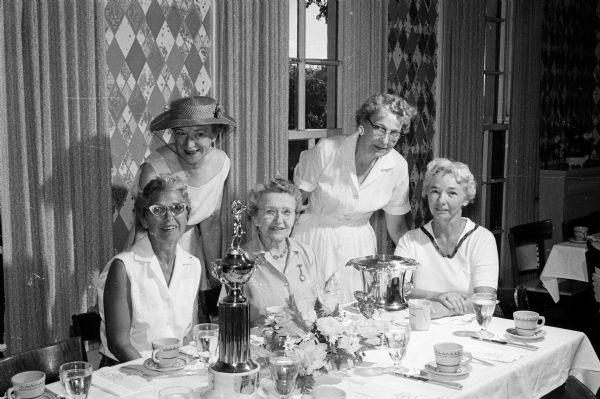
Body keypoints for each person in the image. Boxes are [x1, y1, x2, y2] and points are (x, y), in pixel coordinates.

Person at [292, 93, 417, 302]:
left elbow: (397, 228)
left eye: (395, 133)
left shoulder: (398, 166)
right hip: (312, 240)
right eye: (379, 128)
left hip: (358, 248)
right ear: (362, 123)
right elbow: (291, 204)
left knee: (355, 315)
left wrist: (421, 262)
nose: (386, 141)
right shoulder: (327, 150)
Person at [135, 95, 236, 322]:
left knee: (195, 322)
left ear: (216, 134)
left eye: (199, 134)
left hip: (192, 250)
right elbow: (144, 228)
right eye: (181, 133)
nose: (189, 144)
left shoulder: (222, 162)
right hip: (155, 248)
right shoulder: (154, 167)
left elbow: (211, 222)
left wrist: (214, 277)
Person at [98, 175, 202, 365]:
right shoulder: (123, 266)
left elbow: (190, 334)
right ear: (144, 219)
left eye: (177, 208)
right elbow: (119, 344)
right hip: (128, 371)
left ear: (187, 215)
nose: (169, 217)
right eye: (158, 210)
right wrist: (156, 372)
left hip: (172, 368)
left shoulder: (193, 265)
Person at [394, 158, 498, 318]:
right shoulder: (410, 241)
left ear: (466, 199)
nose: (441, 201)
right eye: (435, 191)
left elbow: (485, 298)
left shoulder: (482, 239)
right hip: (423, 327)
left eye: (452, 193)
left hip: (468, 329)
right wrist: (435, 297)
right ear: (427, 193)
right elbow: (397, 289)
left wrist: (437, 310)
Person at [238, 178, 319, 328]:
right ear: (255, 218)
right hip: (260, 347)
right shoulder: (240, 261)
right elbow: (232, 325)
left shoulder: (306, 253)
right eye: (270, 212)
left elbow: (316, 307)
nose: (279, 220)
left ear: (295, 217)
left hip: (306, 345)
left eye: (286, 212)